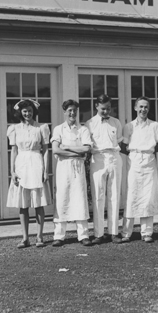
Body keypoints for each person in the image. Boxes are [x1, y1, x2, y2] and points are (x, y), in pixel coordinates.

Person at [6, 99, 52, 248]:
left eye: (30, 111)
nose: (27, 113)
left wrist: (46, 170)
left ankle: (39, 236)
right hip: (22, 164)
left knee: (38, 202)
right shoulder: (15, 128)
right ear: (20, 112)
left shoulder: (41, 127)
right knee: (23, 203)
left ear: (34, 112)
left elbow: (45, 150)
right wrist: (12, 171)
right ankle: (25, 238)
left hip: (36, 162)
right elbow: (13, 151)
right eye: (25, 111)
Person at [51, 100, 93, 247]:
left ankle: (83, 235)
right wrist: (76, 152)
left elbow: (87, 149)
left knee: (79, 198)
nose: (72, 113)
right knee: (62, 198)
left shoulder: (83, 130)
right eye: (69, 110)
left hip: (78, 169)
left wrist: (66, 147)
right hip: (63, 169)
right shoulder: (58, 129)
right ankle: (59, 236)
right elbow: (56, 150)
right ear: (64, 112)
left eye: (74, 110)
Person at [120, 97, 158, 243]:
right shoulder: (129, 126)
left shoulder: (155, 125)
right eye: (141, 107)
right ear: (135, 108)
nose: (143, 110)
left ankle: (146, 232)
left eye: (146, 107)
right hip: (134, 161)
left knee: (148, 196)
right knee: (132, 195)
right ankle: (126, 232)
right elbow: (124, 147)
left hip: (149, 161)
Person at [86, 94, 124, 245]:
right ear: (96, 106)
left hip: (114, 157)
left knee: (114, 195)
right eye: (103, 109)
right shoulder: (89, 123)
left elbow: (121, 142)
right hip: (98, 158)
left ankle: (114, 232)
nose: (106, 111)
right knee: (98, 196)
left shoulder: (116, 122)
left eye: (108, 108)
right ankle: (98, 233)